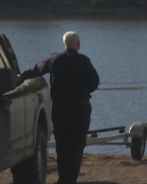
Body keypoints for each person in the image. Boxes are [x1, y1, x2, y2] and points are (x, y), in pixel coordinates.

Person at [21, 31, 99, 184]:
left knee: (62, 146)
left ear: (64, 45)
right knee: (76, 146)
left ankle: (63, 179)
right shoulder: (84, 61)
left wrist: (20, 78)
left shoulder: (54, 59)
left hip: (60, 110)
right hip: (80, 110)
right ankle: (69, 180)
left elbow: (36, 70)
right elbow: (94, 83)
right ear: (78, 45)